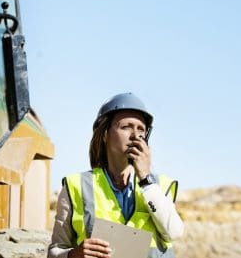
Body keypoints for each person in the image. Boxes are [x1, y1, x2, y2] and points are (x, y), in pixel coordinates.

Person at [48, 92, 184, 258]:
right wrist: (72, 255)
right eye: (126, 127)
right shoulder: (76, 186)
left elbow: (174, 233)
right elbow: (55, 251)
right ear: (105, 134)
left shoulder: (160, 186)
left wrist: (146, 180)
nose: (136, 135)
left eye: (141, 129)